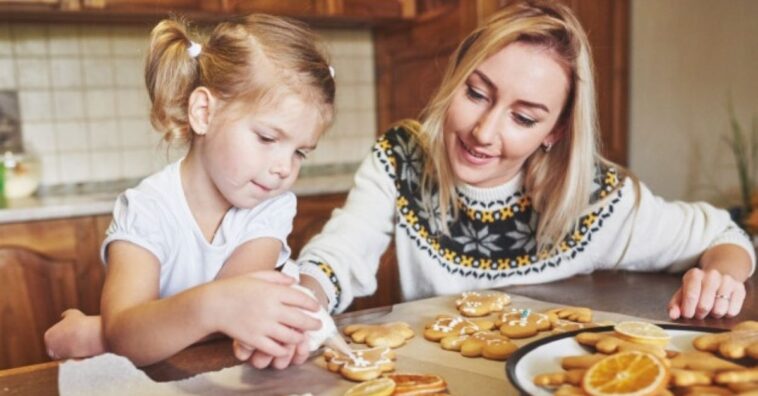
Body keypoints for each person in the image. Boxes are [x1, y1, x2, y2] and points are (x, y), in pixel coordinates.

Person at [296, 0, 755, 325]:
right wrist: (301, 302)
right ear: (455, 79)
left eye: (523, 117)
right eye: (476, 93)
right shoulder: (401, 159)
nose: (484, 131)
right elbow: (340, 255)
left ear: (554, 131)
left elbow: (724, 235)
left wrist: (721, 276)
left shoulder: (595, 200)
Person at [43, 14, 336, 368]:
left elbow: (233, 317)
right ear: (203, 112)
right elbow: (131, 336)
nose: (284, 169)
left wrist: (100, 333)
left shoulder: (271, 206)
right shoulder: (147, 210)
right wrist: (123, 332)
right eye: (267, 138)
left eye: (300, 152)